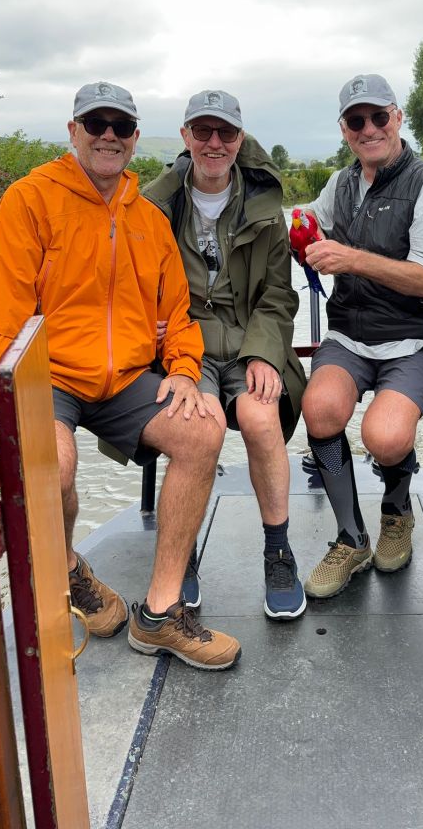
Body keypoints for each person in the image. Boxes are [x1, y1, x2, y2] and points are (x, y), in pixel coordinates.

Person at [0, 81, 241, 671]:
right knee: (53, 463)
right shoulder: (29, 201)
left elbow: (178, 316)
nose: (109, 136)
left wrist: (188, 372)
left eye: (121, 126)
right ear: (73, 132)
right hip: (50, 378)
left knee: (203, 429)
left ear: (136, 137)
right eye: (96, 124)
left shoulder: (148, 219)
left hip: (122, 381)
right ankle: (68, 567)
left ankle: (161, 613)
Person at [142, 89, 307, 620]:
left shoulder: (266, 208)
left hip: (246, 342)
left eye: (226, 133)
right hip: (184, 346)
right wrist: (152, 326)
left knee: (260, 419)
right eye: (203, 132)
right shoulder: (153, 206)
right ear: (186, 137)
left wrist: (264, 354)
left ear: (240, 140)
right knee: (195, 423)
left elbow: (279, 295)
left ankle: (278, 551)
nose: (215, 143)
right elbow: (131, 286)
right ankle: (180, 550)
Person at [299, 73, 423, 597]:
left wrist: (350, 259)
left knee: (385, 437)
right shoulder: (341, 183)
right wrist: (296, 230)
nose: (368, 129)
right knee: (318, 409)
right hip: (350, 334)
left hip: (416, 338)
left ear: (398, 117)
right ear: (345, 130)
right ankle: (350, 539)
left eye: (378, 117)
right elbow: (311, 224)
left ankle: (396, 511)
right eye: (356, 121)